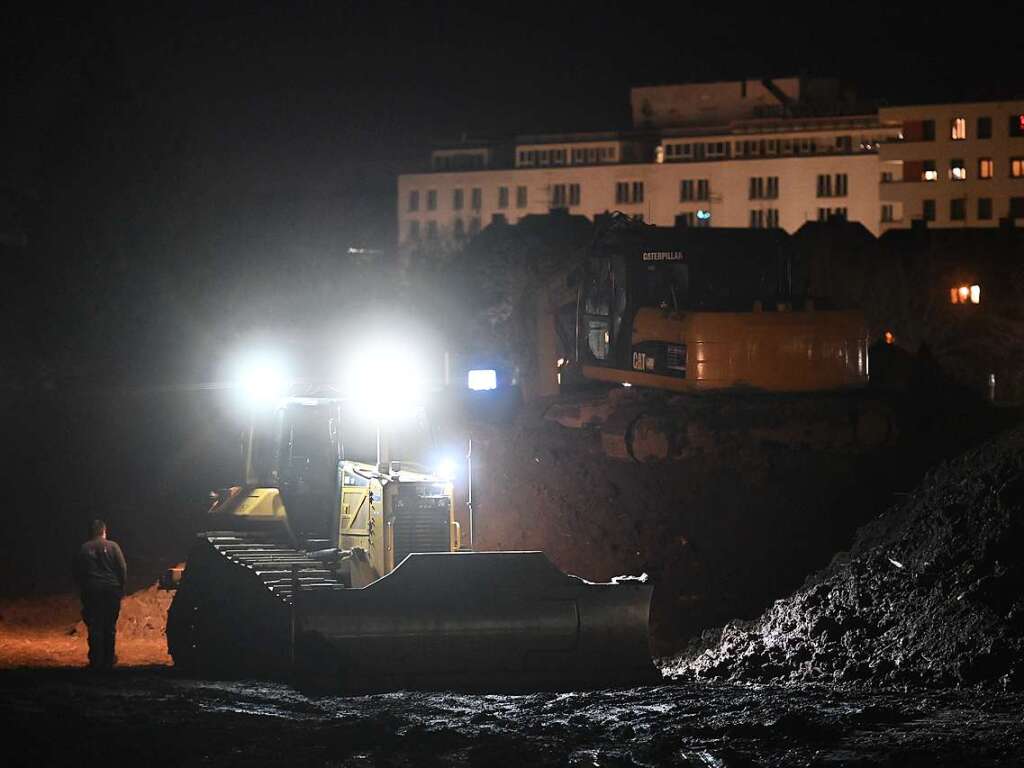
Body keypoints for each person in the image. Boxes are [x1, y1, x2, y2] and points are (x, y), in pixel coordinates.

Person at [72, 520, 127, 670]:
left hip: (92, 591)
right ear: (104, 531)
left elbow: (77, 571)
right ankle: (108, 659)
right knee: (109, 626)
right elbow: (122, 568)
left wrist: (83, 588)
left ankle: (96, 659)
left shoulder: (84, 548)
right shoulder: (113, 546)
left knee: (95, 625)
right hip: (111, 590)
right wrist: (121, 587)